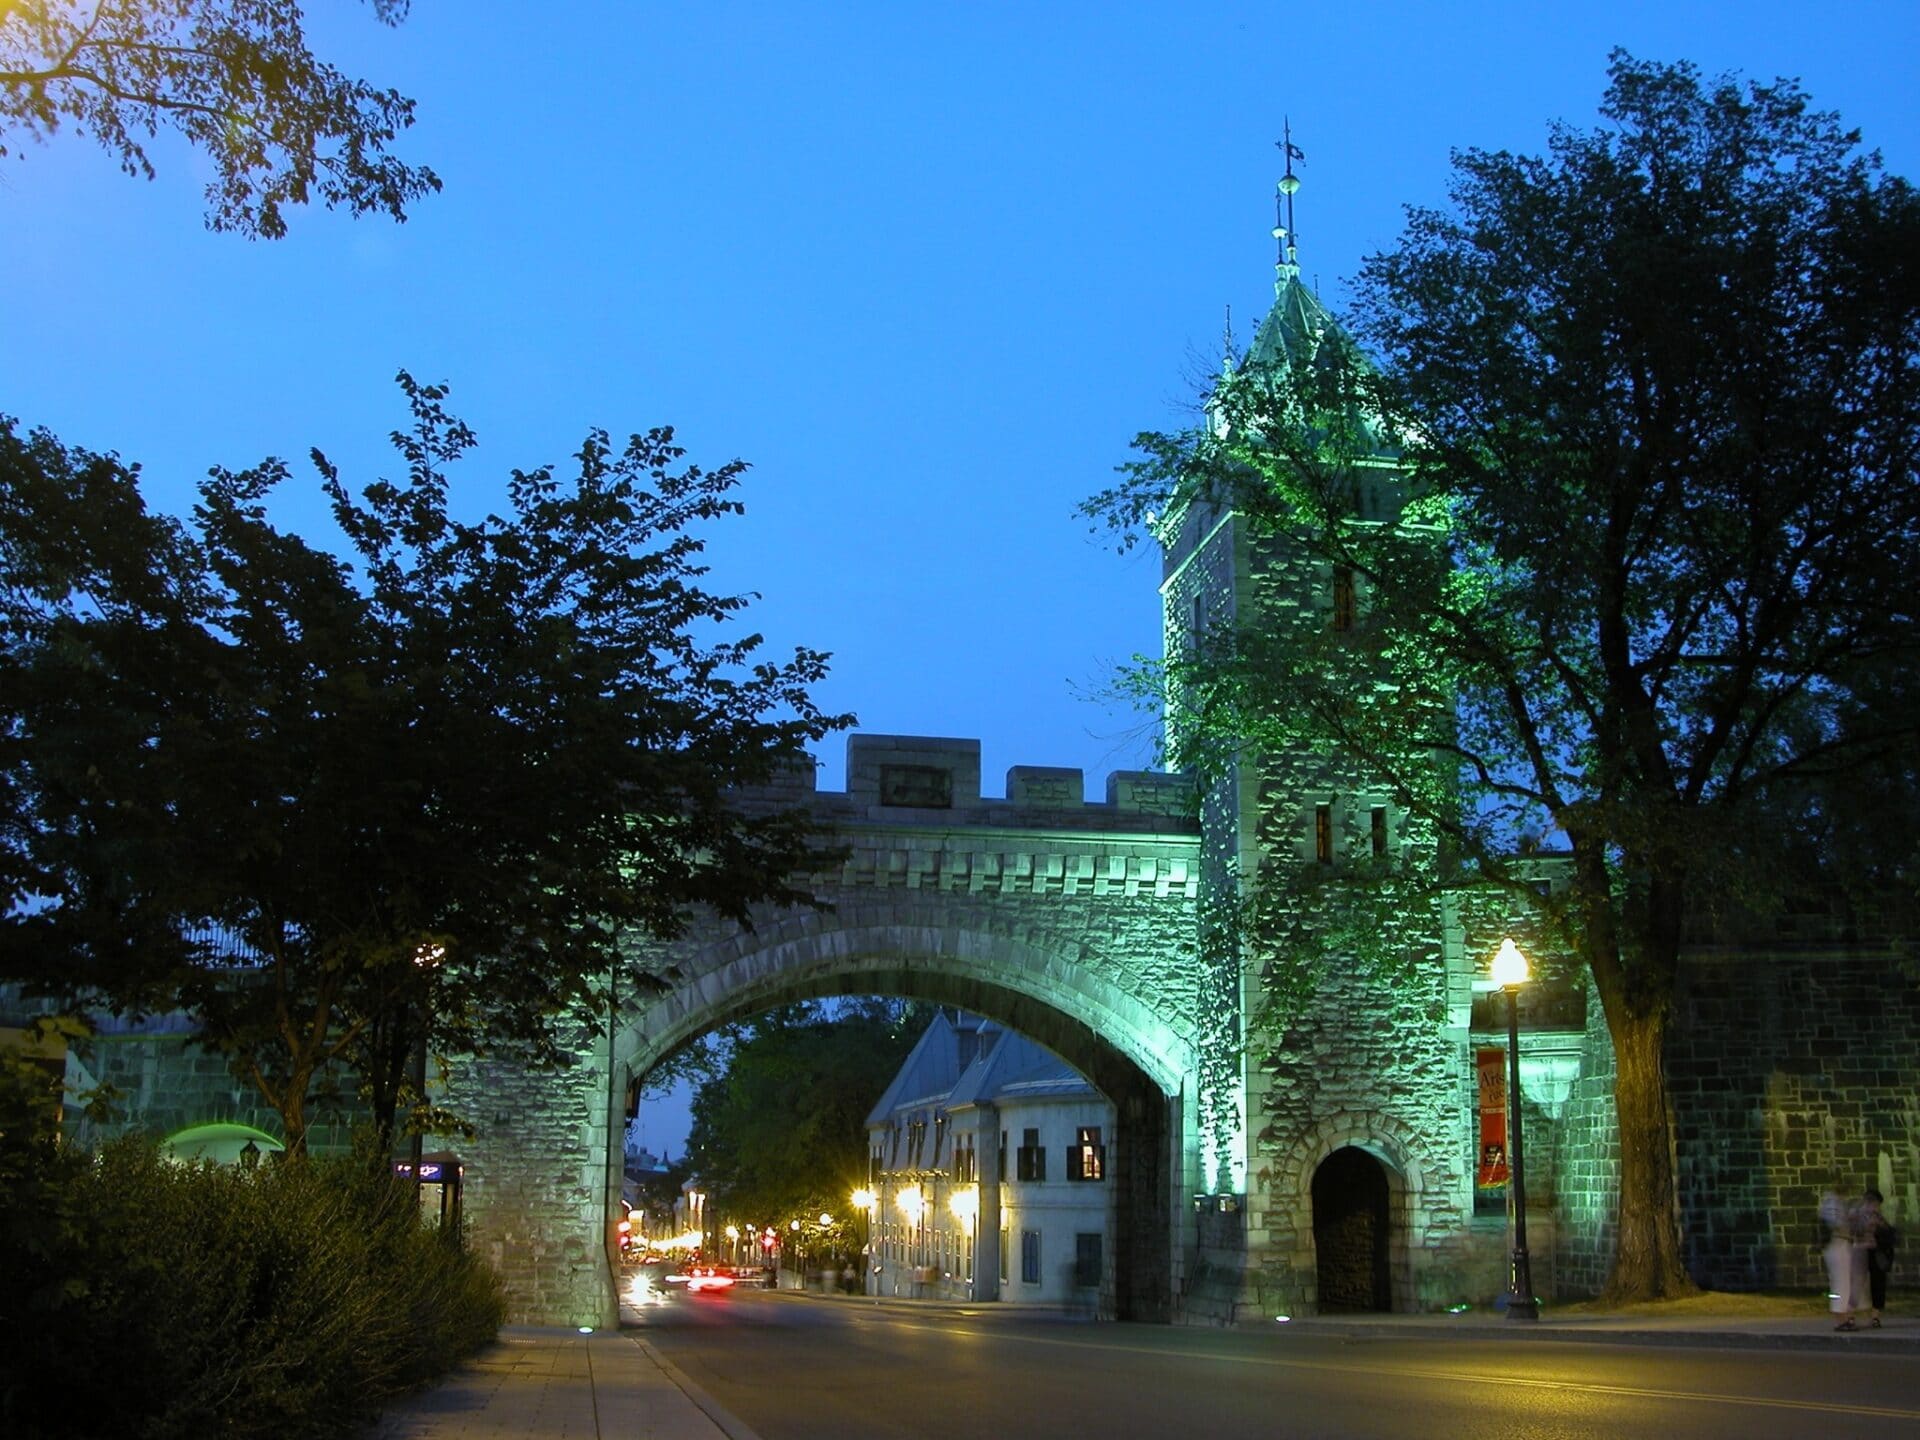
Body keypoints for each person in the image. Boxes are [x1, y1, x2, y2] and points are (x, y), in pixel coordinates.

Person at [1863, 1189, 1896, 1329]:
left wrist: (1880, 1226)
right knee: (1861, 1284)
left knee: (1878, 1284)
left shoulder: (1881, 1219)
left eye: (1876, 1204)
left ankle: (1875, 1316)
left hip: (1876, 1254)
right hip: (1863, 1253)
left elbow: (1890, 1236)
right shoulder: (1859, 1217)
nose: (1874, 1207)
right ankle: (1853, 1315)